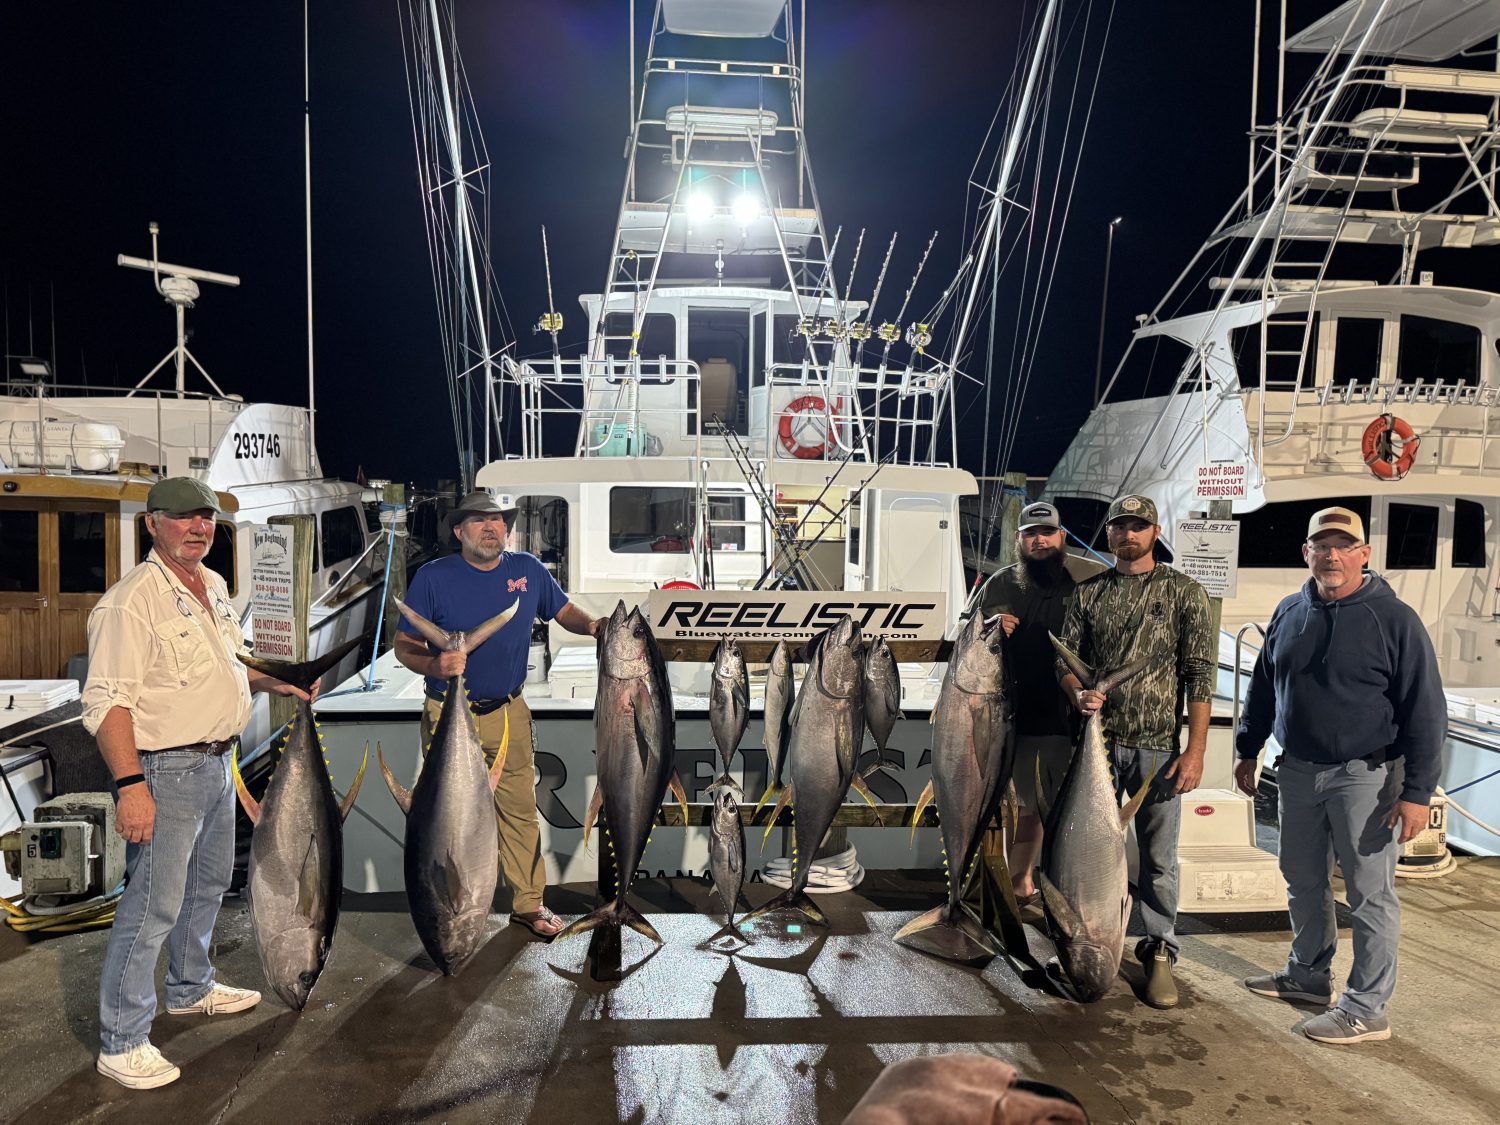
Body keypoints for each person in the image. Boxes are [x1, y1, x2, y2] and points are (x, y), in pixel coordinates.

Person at [83, 477, 312, 1090]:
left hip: (218, 763)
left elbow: (232, 669)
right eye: (183, 517)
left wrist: (280, 680)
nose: (198, 527)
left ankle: (190, 987)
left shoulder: (211, 584)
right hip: (165, 771)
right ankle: (122, 1040)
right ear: (152, 524)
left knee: (208, 884)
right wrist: (131, 786)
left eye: (206, 518)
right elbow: (107, 704)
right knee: (153, 903)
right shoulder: (130, 604)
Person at [1234, 506, 1445, 1045]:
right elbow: (1264, 685)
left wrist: (1418, 793)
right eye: (1321, 546)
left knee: (1369, 894)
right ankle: (1308, 976)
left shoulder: (1394, 619)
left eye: (1344, 546)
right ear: (1306, 553)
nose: (1332, 555)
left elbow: (1426, 710)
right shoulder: (1289, 610)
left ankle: (1367, 1009)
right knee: (1302, 879)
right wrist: (1247, 747)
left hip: (1366, 777)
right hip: (1297, 771)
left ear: (1364, 554)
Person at [395, 490, 599, 941]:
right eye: (478, 521)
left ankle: (528, 905)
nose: (490, 527)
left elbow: (563, 610)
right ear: (458, 531)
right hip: (449, 713)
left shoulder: (527, 570)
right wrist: (436, 665)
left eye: (498, 521)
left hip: (508, 710)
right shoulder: (432, 577)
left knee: (519, 810)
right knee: (450, 818)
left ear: (506, 530)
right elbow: (405, 645)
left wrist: (592, 626)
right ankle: (457, 909)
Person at [1056, 494, 1214, 1009]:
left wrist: (1195, 750)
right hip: (1096, 743)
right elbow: (1065, 662)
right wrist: (1078, 694)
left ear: (1155, 532)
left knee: (1158, 859)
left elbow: (1200, 674)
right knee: (1078, 857)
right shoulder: (1089, 593)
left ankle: (1159, 949)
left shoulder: (1184, 591)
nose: (1129, 534)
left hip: (1157, 748)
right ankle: (1086, 936)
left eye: (1138, 526)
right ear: (1108, 534)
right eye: (1120, 526)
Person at [973, 501, 1104, 918]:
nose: (1039, 540)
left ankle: (1024, 881)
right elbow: (968, 639)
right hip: (1002, 713)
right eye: (1031, 534)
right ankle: (1002, 882)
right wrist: (990, 626)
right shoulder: (999, 583)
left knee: (1042, 808)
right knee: (1007, 805)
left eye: (1047, 533)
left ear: (1062, 537)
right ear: (1019, 540)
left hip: (1061, 715)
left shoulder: (1084, 583)